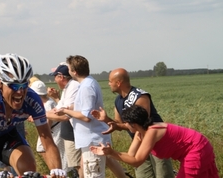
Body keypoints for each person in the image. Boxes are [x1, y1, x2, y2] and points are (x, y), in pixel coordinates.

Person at [0, 53, 66, 178]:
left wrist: (57, 171)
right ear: (0, 83)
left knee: (28, 169)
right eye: (14, 85)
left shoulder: (32, 100)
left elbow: (48, 144)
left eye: (24, 85)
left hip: (7, 134)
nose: (20, 91)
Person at [90, 105, 219, 178]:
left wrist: (112, 152)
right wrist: (109, 152)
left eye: (126, 123)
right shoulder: (140, 133)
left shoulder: (152, 132)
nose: (125, 126)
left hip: (197, 148)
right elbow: (131, 157)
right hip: (194, 148)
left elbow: (137, 161)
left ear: (133, 124)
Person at [91, 68, 174, 178]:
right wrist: (106, 119)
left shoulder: (140, 96)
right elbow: (119, 123)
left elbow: (142, 122)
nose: (109, 84)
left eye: (110, 81)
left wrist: (117, 126)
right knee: (143, 175)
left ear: (118, 83)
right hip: (139, 141)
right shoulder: (118, 100)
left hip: (156, 141)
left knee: (163, 175)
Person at [54, 55, 112, 178]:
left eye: (69, 68)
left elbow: (86, 116)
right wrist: (69, 108)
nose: (68, 71)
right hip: (90, 140)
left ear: (74, 72)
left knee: (94, 175)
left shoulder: (86, 87)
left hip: (93, 139)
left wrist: (65, 111)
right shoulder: (87, 83)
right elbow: (83, 105)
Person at [29, 80, 68, 173]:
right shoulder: (47, 101)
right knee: (43, 148)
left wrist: (33, 119)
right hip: (53, 129)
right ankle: (55, 169)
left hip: (54, 130)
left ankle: (55, 169)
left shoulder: (48, 104)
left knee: (49, 149)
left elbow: (47, 123)